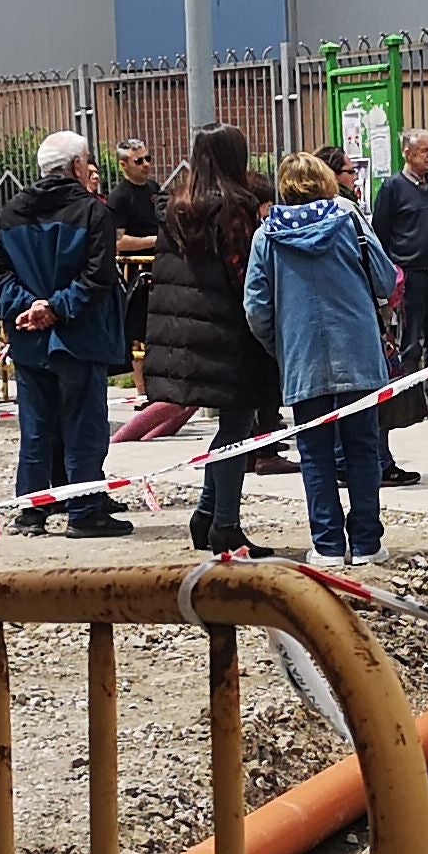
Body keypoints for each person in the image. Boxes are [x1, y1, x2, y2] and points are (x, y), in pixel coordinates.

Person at [246, 151, 400, 565]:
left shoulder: (266, 234)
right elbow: (385, 277)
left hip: (301, 354)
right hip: (359, 351)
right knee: (363, 448)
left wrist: (278, 345)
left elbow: (256, 306)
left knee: (314, 453)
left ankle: (328, 545)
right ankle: (367, 542)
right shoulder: (349, 218)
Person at [144, 125, 280, 560]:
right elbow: (243, 272)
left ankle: (207, 514)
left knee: (231, 426)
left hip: (188, 333)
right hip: (228, 331)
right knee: (238, 428)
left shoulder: (176, 206)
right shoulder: (234, 207)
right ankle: (226, 525)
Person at [0, 130, 132, 537]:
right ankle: (85, 511)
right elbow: (97, 278)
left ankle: (32, 510)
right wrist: (53, 308)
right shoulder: (93, 213)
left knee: (36, 428)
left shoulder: (10, 213)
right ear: (76, 167)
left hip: (29, 340)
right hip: (80, 337)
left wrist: (29, 307)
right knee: (84, 426)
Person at [371, 129, 428, 416]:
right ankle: (409, 401)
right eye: (424, 150)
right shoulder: (392, 188)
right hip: (410, 274)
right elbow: (381, 233)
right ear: (408, 154)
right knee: (411, 341)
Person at [106, 135, 164, 377]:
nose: (146, 165)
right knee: (138, 334)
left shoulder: (155, 189)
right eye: (138, 161)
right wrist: (154, 240)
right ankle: (142, 391)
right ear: (124, 165)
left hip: (160, 265)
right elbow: (119, 242)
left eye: (147, 159)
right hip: (136, 272)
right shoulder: (120, 196)